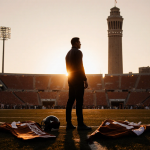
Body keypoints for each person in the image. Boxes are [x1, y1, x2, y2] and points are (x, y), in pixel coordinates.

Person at [65, 37, 91, 130]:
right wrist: (85, 79)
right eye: (79, 42)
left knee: (70, 101)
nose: (80, 44)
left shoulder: (67, 54)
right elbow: (80, 66)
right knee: (79, 101)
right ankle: (80, 124)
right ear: (76, 43)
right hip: (77, 79)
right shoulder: (78, 52)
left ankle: (69, 124)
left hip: (70, 79)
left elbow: (67, 68)